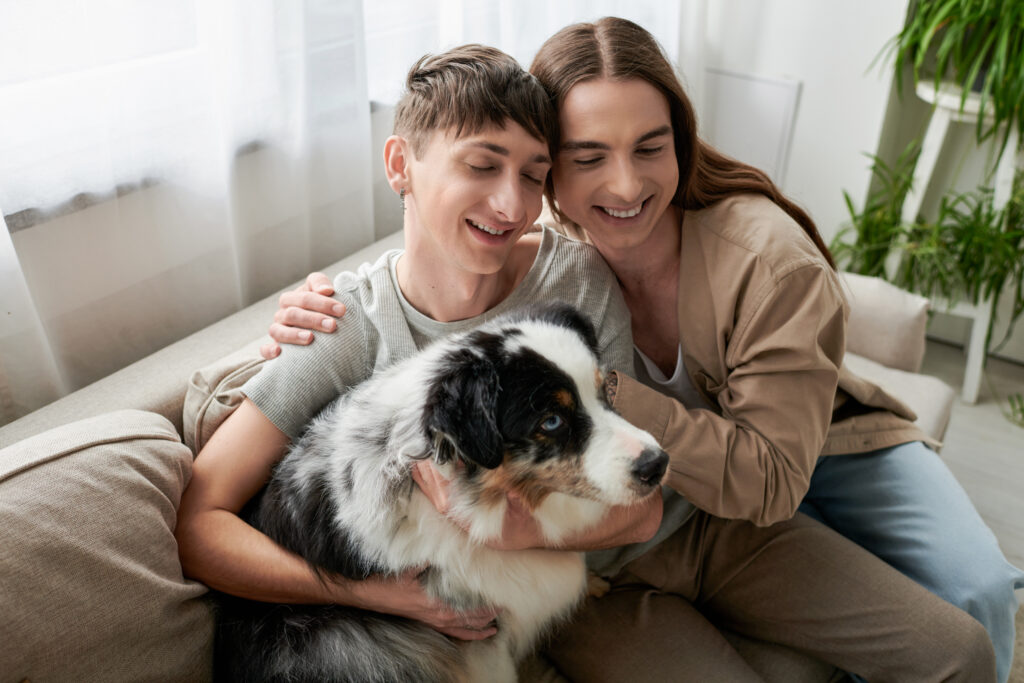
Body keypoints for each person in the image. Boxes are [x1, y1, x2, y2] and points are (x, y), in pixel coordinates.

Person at [258, 22, 1018, 683]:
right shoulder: (479, 271)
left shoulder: (620, 275)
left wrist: (603, 389)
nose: (621, 182)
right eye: (586, 157)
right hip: (592, 578)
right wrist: (284, 329)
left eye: (648, 147)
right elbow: (247, 419)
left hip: (741, 501)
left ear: (680, 141)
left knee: (964, 625)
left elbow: (760, 480)